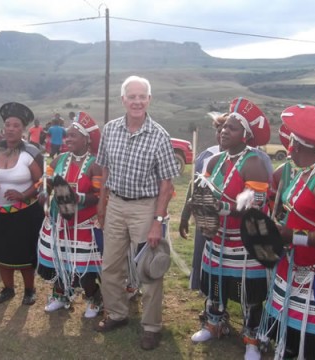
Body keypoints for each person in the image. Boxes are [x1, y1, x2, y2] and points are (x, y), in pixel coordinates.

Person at [95, 75, 179, 351]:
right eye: (132, 96)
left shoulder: (160, 136)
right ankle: (117, 313)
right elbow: (105, 169)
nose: (137, 101)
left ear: (149, 100)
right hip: (116, 204)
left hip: (146, 207)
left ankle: (151, 326)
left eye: (142, 96)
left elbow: (167, 184)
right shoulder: (110, 130)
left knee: (149, 270)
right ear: (123, 100)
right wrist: (102, 204)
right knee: (110, 266)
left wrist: (157, 221)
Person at [257, 105, 315, 360]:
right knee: (291, 340)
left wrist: (291, 235)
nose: (289, 146)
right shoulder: (303, 173)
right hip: (294, 269)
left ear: (301, 146)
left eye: (293, 141)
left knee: (314, 345)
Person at [190, 98, 271, 360]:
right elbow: (202, 196)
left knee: (249, 293)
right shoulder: (214, 162)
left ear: (245, 136)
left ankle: (252, 339)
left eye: (232, 128)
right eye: (224, 126)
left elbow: (256, 206)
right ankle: (214, 324)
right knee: (215, 286)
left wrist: (223, 208)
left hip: (244, 241)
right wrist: (195, 215)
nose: (225, 131)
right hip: (216, 238)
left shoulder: (254, 163)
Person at [0, 101, 44, 306]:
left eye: (16, 125)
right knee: (0, 249)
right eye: (8, 124)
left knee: (24, 251)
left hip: (25, 213)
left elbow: (41, 182)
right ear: (3, 127)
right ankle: (7, 288)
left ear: (23, 129)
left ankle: (30, 290)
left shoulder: (32, 153)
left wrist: (23, 194)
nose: (11, 129)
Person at [37, 111, 103, 318]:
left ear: (87, 139)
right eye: (67, 135)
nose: (68, 139)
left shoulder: (95, 163)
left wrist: (79, 198)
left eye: (74, 135)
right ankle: (60, 295)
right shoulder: (59, 159)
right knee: (58, 262)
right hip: (58, 223)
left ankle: (94, 298)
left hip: (84, 225)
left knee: (85, 270)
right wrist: (43, 193)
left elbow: (100, 195)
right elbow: (45, 181)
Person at [179, 112, 227, 290]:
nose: (223, 134)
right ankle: (210, 302)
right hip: (206, 219)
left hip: (232, 222)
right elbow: (195, 186)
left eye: (227, 130)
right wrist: (185, 215)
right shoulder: (207, 155)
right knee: (203, 256)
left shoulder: (249, 160)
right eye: (219, 130)